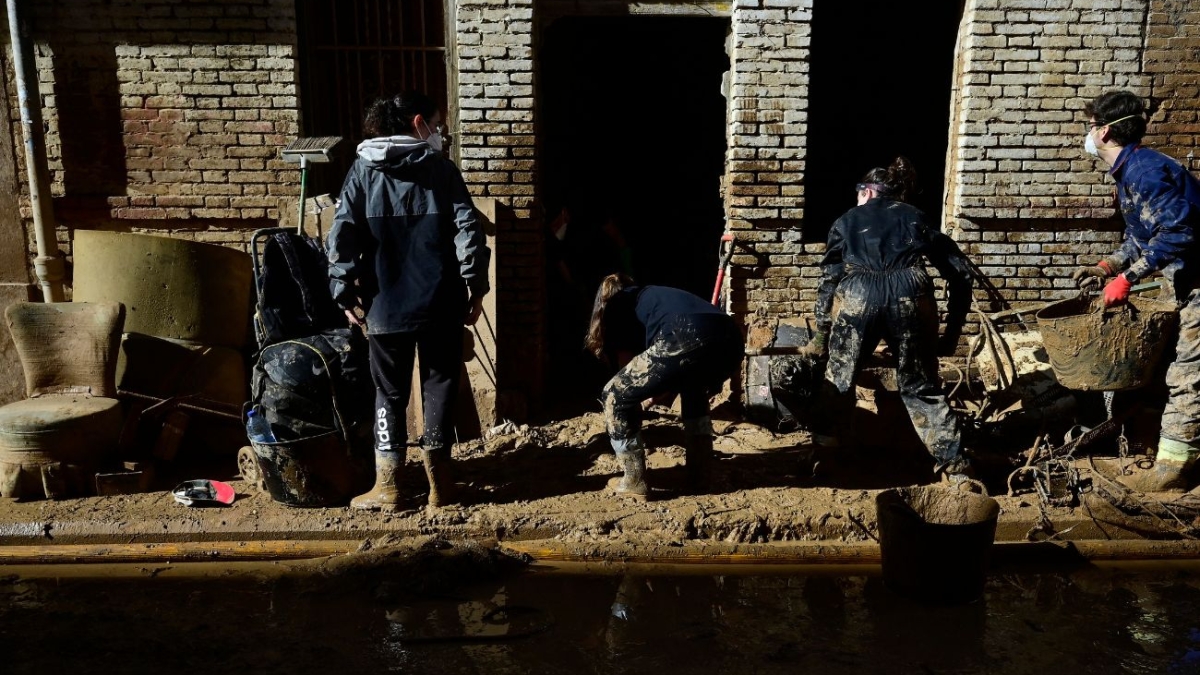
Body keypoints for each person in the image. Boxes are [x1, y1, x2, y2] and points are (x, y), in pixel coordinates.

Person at [327, 91, 490, 510]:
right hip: (442, 301)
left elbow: (341, 234)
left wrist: (342, 289)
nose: (439, 132)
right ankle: (441, 485)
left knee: (389, 392)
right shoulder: (441, 170)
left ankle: (390, 487)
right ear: (418, 123)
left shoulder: (361, 173)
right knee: (440, 386)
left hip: (384, 304)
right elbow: (466, 227)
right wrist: (475, 285)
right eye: (436, 124)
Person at [803, 156, 974, 484]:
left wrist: (822, 334)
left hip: (858, 295)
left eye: (858, 190)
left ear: (867, 191)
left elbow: (829, 281)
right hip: (910, 293)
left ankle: (824, 459)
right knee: (919, 384)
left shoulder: (846, 220)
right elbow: (960, 274)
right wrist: (951, 332)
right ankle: (957, 469)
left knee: (839, 378)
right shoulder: (915, 216)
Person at [1070, 90, 1200, 492]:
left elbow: (1178, 233)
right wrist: (1109, 265)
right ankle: (1150, 442)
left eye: (1090, 127)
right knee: (1164, 367)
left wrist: (1127, 279)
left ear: (1105, 131)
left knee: (1189, 373)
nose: (1087, 135)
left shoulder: (1144, 171)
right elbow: (1143, 236)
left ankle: (1174, 472)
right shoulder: (1130, 171)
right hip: (1184, 278)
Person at [585, 274, 744, 499]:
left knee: (615, 394)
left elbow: (628, 373)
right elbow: (666, 372)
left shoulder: (619, 304)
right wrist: (650, 397)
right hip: (732, 339)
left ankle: (633, 481)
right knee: (693, 387)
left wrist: (634, 404)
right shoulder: (655, 298)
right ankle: (700, 475)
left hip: (687, 332)